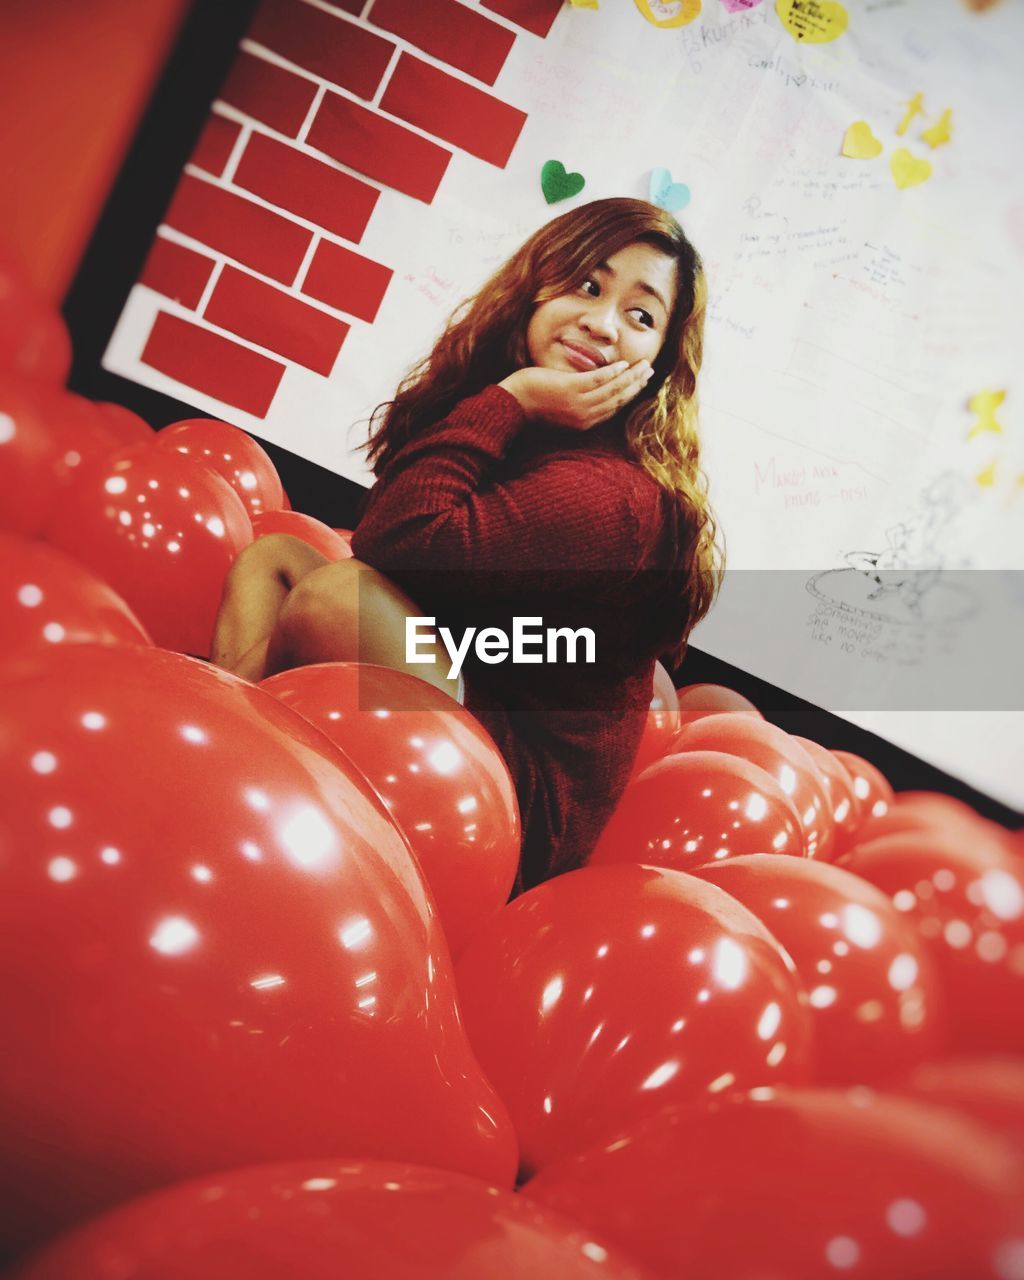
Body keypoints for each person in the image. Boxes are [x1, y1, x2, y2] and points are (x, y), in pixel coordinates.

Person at [212, 197, 722, 890]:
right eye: (587, 284)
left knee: (335, 595)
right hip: (467, 683)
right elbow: (398, 536)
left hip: (508, 808)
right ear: (538, 284)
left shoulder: (614, 496)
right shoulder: (543, 430)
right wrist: (512, 403)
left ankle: (232, 761)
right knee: (273, 559)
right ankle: (227, 748)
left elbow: (397, 539)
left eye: (641, 315)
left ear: (659, 361)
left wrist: (512, 398)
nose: (602, 324)